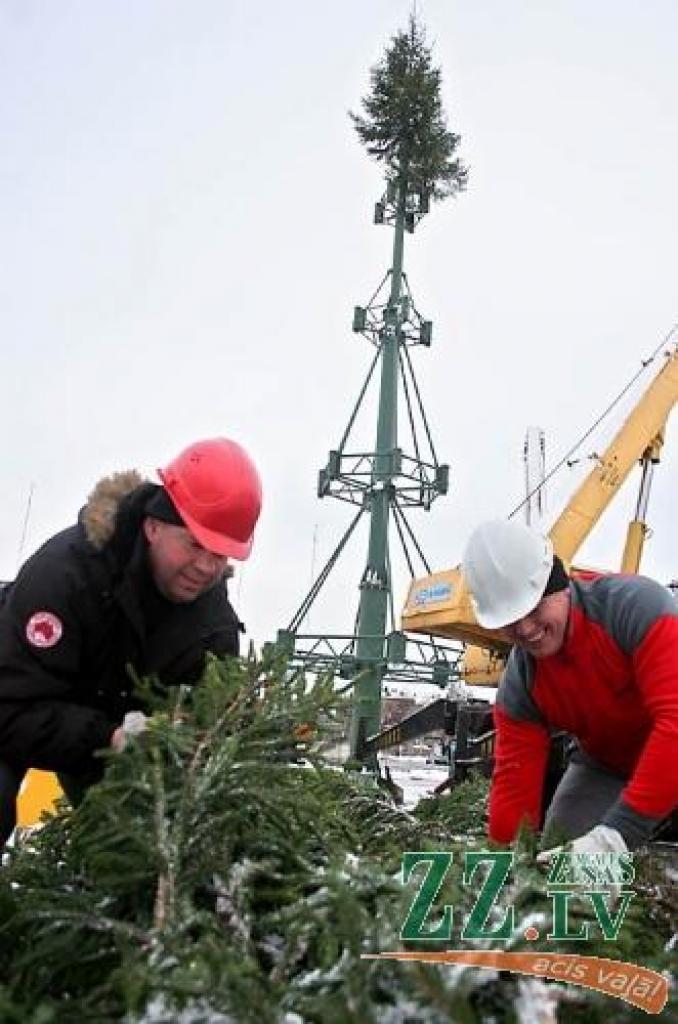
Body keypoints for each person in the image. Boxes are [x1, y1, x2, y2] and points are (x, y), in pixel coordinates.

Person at [0, 437, 262, 847]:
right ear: (153, 526)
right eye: (195, 544)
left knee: (144, 841)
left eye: (221, 555)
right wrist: (111, 737)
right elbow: (9, 708)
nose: (207, 567)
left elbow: (211, 732)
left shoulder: (213, 626)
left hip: (113, 741)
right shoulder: (64, 576)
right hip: (21, 701)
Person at [462, 518, 678, 856]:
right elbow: (514, 784)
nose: (526, 630)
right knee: (562, 853)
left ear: (561, 586)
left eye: (533, 609)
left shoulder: (637, 608)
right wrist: (506, 864)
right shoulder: (522, 684)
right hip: (610, 767)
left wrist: (617, 836)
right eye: (509, 621)